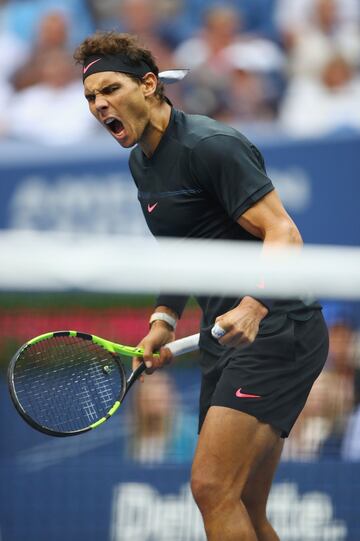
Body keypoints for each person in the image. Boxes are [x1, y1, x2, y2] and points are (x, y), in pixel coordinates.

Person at [74, 31, 329, 541]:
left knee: (212, 488)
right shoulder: (140, 162)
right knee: (245, 506)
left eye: (109, 89)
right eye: (90, 98)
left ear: (148, 85)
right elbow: (182, 251)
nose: (100, 105)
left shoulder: (210, 145)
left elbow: (284, 231)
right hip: (227, 340)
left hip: (278, 329)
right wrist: (162, 323)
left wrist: (255, 304)